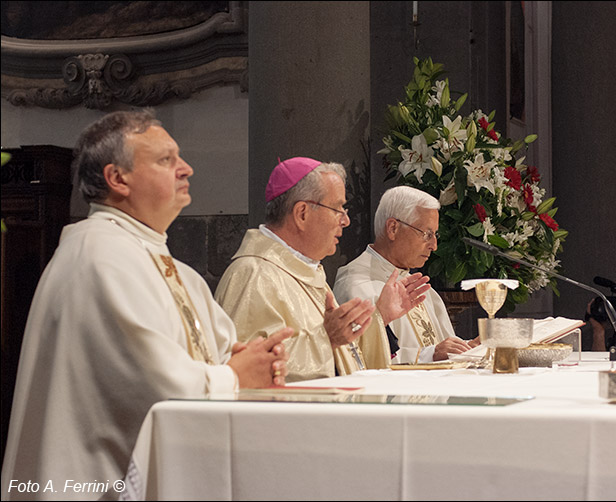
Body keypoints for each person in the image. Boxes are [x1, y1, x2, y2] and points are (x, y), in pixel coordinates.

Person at [1, 110, 292, 501]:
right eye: (166, 159)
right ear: (117, 179)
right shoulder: (100, 257)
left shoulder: (170, 267)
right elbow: (156, 386)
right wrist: (236, 376)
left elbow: (221, 355)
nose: (186, 169)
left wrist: (254, 362)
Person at [215, 158, 430, 382]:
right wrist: (326, 339)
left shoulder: (305, 271)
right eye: (337, 208)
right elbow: (247, 371)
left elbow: (343, 359)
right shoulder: (254, 275)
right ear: (302, 214)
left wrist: (380, 317)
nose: (345, 220)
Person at [334, 186, 478, 366]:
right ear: (393, 228)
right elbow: (359, 359)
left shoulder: (420, 288)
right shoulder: (356, 285)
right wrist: (430, 355)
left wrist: (469, 349)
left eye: (435, 235)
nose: (434, 245)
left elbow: (443, 352)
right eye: (427, 234)